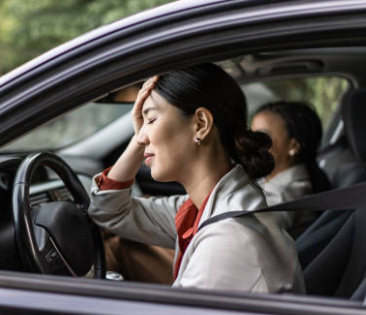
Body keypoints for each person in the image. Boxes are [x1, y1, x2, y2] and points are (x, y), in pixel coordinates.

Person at [88, 63, 304, 293]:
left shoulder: (229, 236)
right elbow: (109, 212)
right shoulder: (201, 207)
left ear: (200, 124)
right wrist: (140, 133)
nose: (141, 138)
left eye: (150, 120)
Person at [251, 101, 331, 238]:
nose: (251, 144)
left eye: (261, 137)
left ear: (293, 146)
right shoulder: (282, 181)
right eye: (251, 136)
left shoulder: (283, 196)